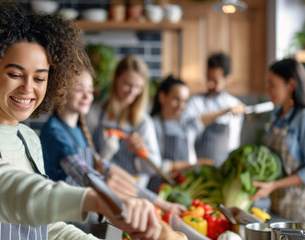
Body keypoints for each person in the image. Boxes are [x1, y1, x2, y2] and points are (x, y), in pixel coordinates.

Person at [0, 1, 161, 239]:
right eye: (15, 74)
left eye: (40, 78)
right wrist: (93, 200)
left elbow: (49, 228)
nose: (27, 88)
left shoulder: (30, 140)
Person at [39, 70, 186, 224]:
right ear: (60, 91)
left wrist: (160, 203)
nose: (87, 96)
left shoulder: (77, 130)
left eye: (90, 90)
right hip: (62, 222)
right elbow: (88, 176)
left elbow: (106, 167)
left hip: (81, 219)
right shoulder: (55, 133)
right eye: (79, 89)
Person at [251, 58, 305, 223]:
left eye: (272, 84)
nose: (268, 90)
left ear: (291, 85)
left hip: (303, 206)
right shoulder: (277, 115)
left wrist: (274, 185)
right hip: (280, 204)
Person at [87, 55, 162, 188]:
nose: (132, 92)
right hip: (98, 188)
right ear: (116, 79)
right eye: (127, 84)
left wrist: (143, 153)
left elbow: (154, 169)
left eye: (138, 87)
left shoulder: (143, 123)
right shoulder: (95, 114)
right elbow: (84, 157)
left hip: (131, 191)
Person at [148, 75, 214, 191]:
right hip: (157, 188)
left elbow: (201, 120)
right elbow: (156, 164)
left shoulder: (183, 124)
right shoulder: (152, 125)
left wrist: (228, 110)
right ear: (162, 97)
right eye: (176, 100)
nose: (181, 106)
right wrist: (195, 164)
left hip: (180, 187)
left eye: (184, 101)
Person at [182, 53, 246, 167]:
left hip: (226, 166)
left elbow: (233, 142)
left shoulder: (236, 104)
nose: (210, 84)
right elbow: (191, 124)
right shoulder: (195, 102)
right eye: (208, 79)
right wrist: (224, 111)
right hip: (197, 166)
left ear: (228, 80)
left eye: (215, 81)